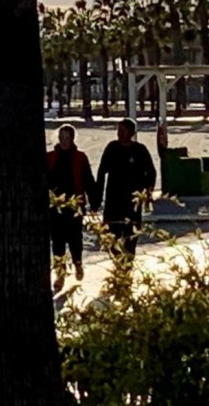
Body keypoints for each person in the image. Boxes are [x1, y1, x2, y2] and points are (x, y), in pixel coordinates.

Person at [93, 118, 156, 267]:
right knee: (111, 235)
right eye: (118, 130)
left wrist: (147, 193)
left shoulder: (140, 150)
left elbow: (151, 173)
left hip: (132, 203)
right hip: (113, 200)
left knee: (130, 236)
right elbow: (102, 172)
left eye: (123, 130)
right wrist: (96, 198)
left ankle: (127, 264)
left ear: (132, 132)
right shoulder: (112, 148)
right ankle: (118, 262)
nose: (120, 134)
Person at [46, 124, 96, 291]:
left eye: (67, 138)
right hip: (55, 207)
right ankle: (60, 273)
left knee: (75, 238)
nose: (64, 141)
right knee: (57, 241)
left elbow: (88, 180)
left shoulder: (80, 158)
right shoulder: (50, 158)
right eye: (61, 138)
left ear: (73, 139)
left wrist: (94, 202)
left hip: (75, 205)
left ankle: (78, 263)